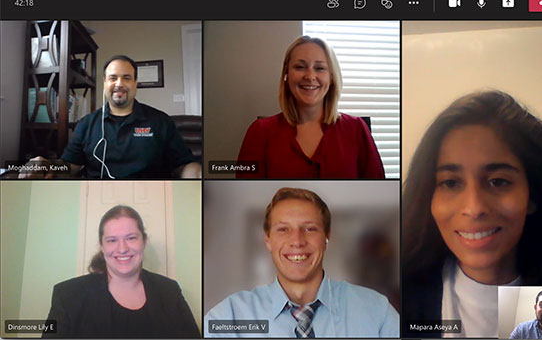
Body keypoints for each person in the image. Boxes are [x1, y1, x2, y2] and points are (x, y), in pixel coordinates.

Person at [401, 91, 542, 338]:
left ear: (533, 195)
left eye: (498, 181)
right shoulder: (394, 301)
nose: (474, 208)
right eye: (451, 183)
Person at [204, 187, 399, 337]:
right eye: (283, 229)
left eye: (310, 229)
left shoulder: (377, 312)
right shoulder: (228, 317)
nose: (297, 241)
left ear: (327, 237)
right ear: (268, 240)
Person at [19, 55, 201, 178]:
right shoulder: (86, 124)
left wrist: (195, 175)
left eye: (127, 78)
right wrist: (47, 164)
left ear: (136, 84)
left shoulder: (161, 121)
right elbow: (71, 166)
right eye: (113, 78)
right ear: (105, 83)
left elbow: (185, 165)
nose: (119, 83)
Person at [236, 36, 385, 179]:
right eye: (300, 67)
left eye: (319, 68)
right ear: (287, 75)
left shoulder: (357, 129)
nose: (310, 76)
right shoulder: (259, 132)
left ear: (332, 77)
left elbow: (379, 194)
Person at [43, 205, 200, 338]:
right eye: (112, 240)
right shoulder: (67, 295)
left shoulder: (170, 291)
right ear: (102, 246)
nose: (123, 249)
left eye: (131, 238)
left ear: (144, 241)